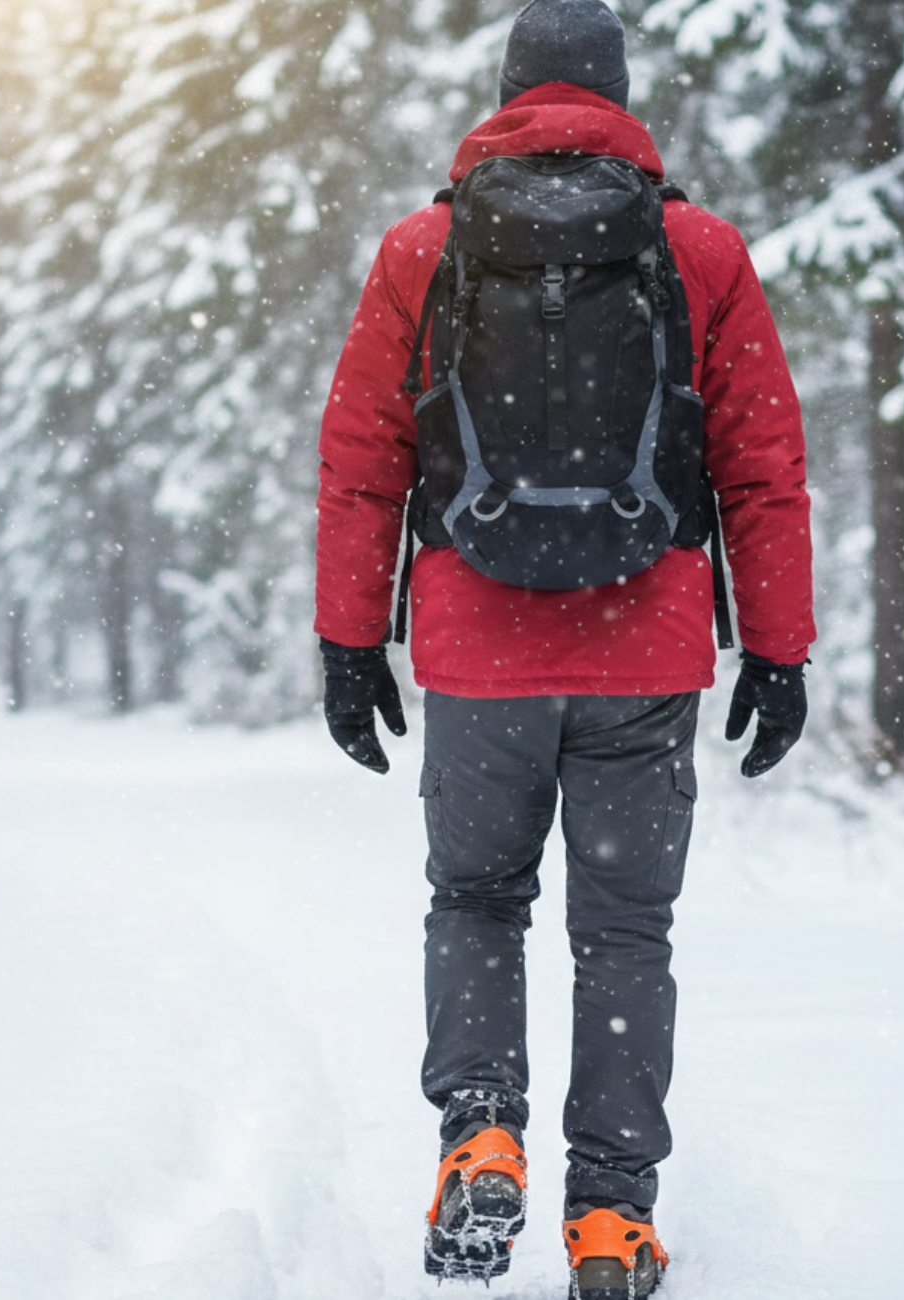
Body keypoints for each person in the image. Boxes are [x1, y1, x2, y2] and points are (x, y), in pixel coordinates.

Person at [314, 1, 815, 1294]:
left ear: (505, 94)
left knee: (479, 902)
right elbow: (763, 466)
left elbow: (363, 466)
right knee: (624, 934)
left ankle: (481, 1135)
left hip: (478, 648)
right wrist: (778, 647)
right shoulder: (696, 248)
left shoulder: (424, 248)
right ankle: (611, 1222)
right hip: (642, 653)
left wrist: (350, 641)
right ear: (617, 95)